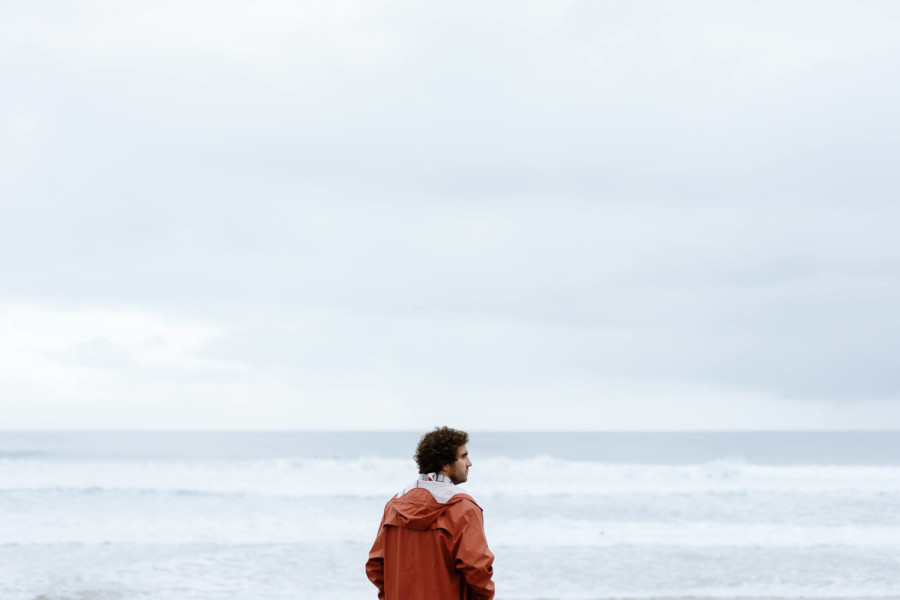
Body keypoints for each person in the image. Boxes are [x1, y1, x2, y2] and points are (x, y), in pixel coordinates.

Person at [365, 426, 495, 600]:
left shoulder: (393, 506)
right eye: (463, 456)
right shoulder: (463, 508)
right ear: (445, 463)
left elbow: (376, 566)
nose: (469, 462)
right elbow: (477, 570)